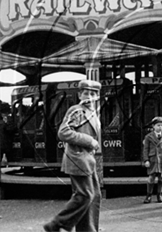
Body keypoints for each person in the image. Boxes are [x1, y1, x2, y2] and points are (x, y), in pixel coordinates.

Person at [44, 80, 102, 232]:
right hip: (77, 159)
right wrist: (89, 141)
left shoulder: (92, 112)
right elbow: (63, 132)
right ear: (79, 94)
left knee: (94, 196)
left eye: (92, 93)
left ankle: (87, 230)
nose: (89, 96)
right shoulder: (76, 110)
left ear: (97, 96)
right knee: (85, 195)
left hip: (87, 159)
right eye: (86, 93)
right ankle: (57, 224)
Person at [142, 116, 162, 203]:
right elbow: (145, 149)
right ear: (153, 126)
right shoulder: (148, 137)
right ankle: (149, 195)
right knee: (151, 177)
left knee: (161, 178)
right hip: (153, 160)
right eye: (158, 125)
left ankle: (159, 194)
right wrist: (146, 160)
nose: (160, 127)